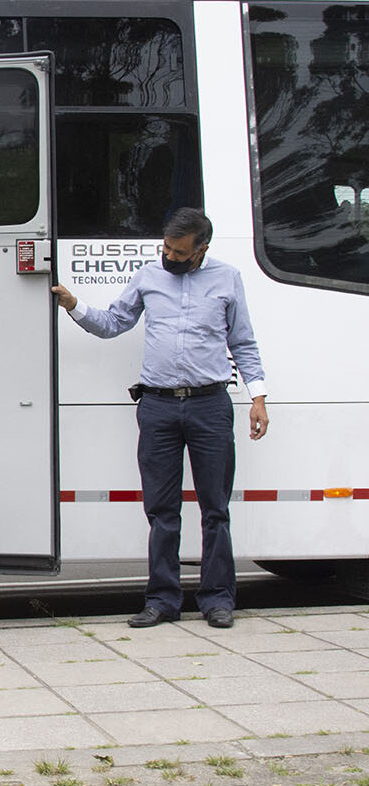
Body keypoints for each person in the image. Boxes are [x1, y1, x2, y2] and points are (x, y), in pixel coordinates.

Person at [51, 207, 268, 629]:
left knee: (215, 509)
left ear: (201, 249)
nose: (169, 255)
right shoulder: (149, 276)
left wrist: (258, 397)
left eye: (179, 251)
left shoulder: (227, 279)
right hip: (158, 407)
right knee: (161, 511)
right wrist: (74, 306)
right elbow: (114, 322)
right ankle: (162, 601)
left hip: (210, 404)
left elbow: (243, 342)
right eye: (166, 246)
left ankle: (218, 599)